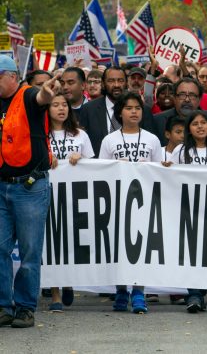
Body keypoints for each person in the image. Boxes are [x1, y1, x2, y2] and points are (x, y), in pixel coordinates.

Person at [0, 57, 59, 328]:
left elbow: (42, 97)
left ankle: (25, 307)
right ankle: (3, 306)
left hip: (29, 186)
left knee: (29, 250)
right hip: (2, 185)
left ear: (12, 77)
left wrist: (48, 90)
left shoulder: (28, 95)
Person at [98, 91, 164, 314]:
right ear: (120, 113)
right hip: (117, 201)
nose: (134, 111)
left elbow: (160, 173)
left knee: (140, 247)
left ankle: (138, 291)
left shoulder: (152, 139)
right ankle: (120, 290)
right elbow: (101, 173)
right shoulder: (110, 140)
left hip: (144, 202)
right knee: (119, 248)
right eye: (129, 108)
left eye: (137, 108)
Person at [162, 111, 207, 314]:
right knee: (191, 252)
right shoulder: (181, 150)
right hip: (188, 209)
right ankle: (194, 294)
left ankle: (199, 292)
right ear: (189, 129)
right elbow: (171, 178)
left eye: (203, 123)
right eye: (195, 124)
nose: (200, 127)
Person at [46, 93, 93, 313]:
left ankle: (68, 281)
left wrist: (80, 159)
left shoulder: (80, 135)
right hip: (47, 197)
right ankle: (55, 293)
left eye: (64, 104)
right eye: (55, 105)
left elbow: (94, 167)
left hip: (75, 199)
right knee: (52, 244)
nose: (61, 109)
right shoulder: (40, 135)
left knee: (71, 242)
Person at [79, 66, 156, 157]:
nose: (116, 85)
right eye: (111, 81)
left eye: (120, 81)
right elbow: (82, 143)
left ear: (126, 83)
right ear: (103, 84)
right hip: (98, 168)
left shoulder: (143, 109)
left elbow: (152, 144)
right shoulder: (88, 109)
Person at [154, 78, 207, 146]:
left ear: (199, 99)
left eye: (192, 95)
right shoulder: (158, 121)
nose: (187, 99)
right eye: (182, 95)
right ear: (174, 98)